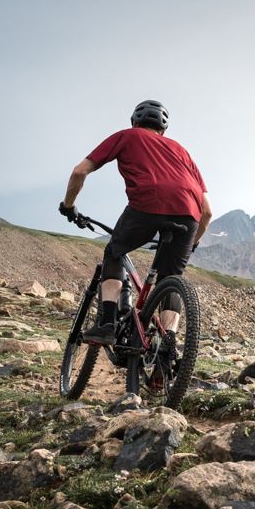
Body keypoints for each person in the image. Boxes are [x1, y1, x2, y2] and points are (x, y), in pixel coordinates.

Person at [59, 99, 212, 345]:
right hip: (189, 214)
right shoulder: (182, 152)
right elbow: (207, 212)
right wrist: (192, 243)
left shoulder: (127, 136)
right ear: (163, 131)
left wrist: (68, 206)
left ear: (134, 122)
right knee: (170, 277)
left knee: (114, 252)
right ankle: (167, 344)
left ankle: (107, 324)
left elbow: (79, 171)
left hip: (147, 205)